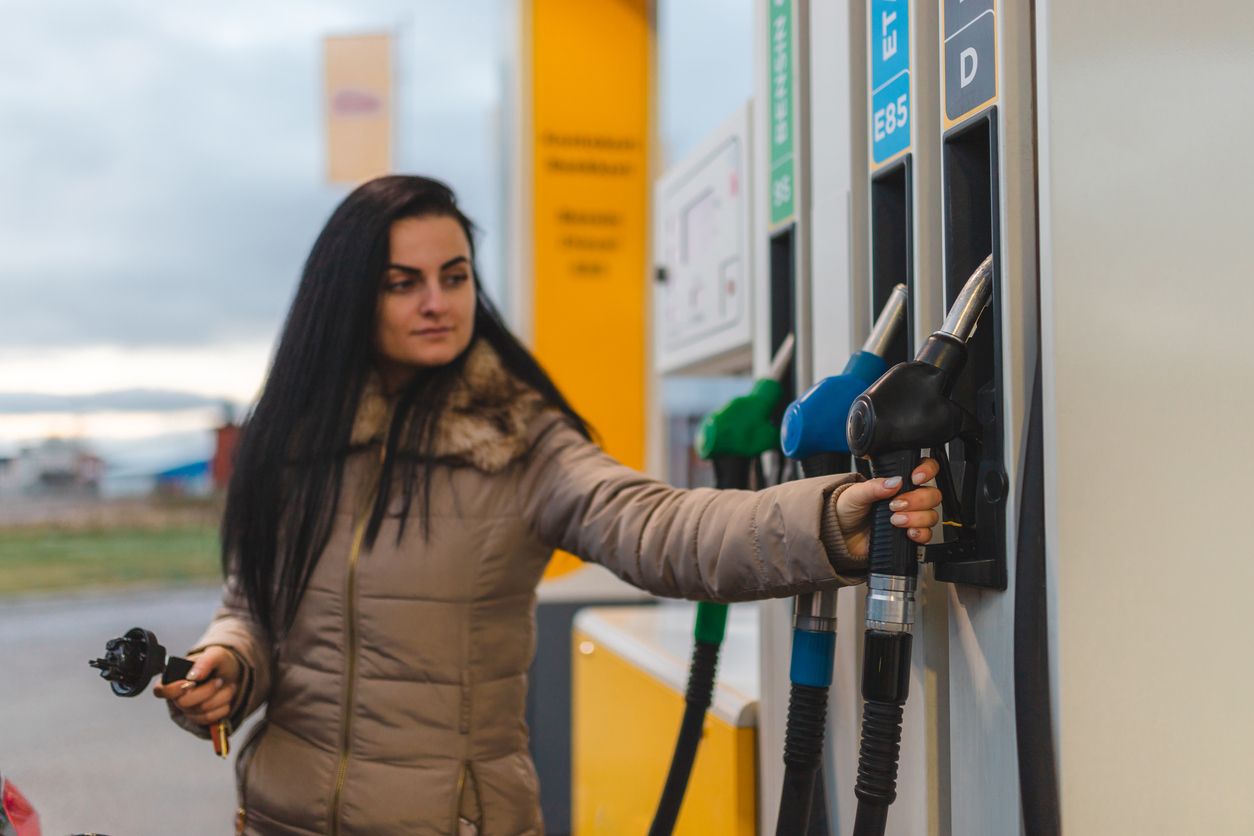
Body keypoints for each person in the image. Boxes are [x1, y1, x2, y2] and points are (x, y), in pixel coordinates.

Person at [154, 175, 942, 835]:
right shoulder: (295, 443)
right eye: (403, 283)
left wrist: (838, 516)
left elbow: (661, 529)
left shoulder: (517, 440)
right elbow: (253, 604)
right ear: (347, 296)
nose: (437, 301)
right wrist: (228, 666)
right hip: (279, 819)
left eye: (454, 277)